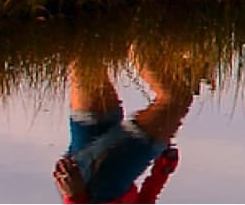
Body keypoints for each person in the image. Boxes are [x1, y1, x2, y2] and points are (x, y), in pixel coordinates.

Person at [54, 43, 204, 204]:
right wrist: (162, 170)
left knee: (175, 100)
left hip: (107, 185)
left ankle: (141, 37)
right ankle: (128, 29)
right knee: (84, 56)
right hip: (90, 174)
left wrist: (76, 199)